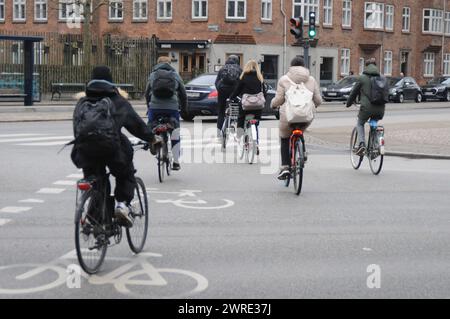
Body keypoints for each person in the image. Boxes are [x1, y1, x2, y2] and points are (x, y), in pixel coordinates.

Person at [71, 66, 161, 227]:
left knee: (96, 182)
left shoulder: (82, 102)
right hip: (112, 150)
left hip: (86, 151)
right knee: (125, 174)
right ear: (110, 81)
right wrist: (152, 138)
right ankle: (121, 205)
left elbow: (77, 128)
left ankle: (95, 223)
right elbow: (136, 125)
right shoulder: (118, 101)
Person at [271, 56, 322, 180]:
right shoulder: (311, 80)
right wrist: (314, 105)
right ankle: (302, 151)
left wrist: (273, 105)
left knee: (284, 137)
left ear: (291, 66)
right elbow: (318, 100)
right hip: (306, 116)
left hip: (288, 116)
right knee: (301, 128)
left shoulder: (284, 79)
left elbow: (279, 99)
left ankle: (285, 168)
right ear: (304, 67)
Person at [145, 56, 187, 171]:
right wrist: (183, 109)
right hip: (172, 108)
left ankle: (152, 140)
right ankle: (176, 161)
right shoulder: (175, 75)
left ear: (157, 63)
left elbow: (147, 92)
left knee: (150, 124)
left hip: (155, 107)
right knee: (175, 132)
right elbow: (183, 94)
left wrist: (149, 106)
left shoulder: (153, 75)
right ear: (169, 63)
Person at [346, 59, 386, 155]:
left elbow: (354, 93)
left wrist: (348, 103)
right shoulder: (382, 78)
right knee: (374, 123)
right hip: (380, 108)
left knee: (360, 123)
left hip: (366, 108)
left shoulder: (362, 78)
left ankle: (362, 145)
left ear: (366, 66)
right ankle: (377, 144)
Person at [229, 59, 267, 135]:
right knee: (256, 123)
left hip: (246, 105)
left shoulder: (243, 77)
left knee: (241, 117)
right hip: (258, 106)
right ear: (256, 67)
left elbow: (237, 90)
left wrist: (231, 98)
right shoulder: (260, 77)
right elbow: (264, 92)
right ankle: (256, 142)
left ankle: (239, 135)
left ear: (246, 67)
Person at [215, 55, 242, 137]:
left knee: (221, 112)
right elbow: (242, 82)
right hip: (234, 91)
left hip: (222, 91)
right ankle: (233, 124)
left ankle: (219, 132)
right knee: (237, 110)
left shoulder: (222, 69)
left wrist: (219, 90)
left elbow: (216, 82)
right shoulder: (240, 69)